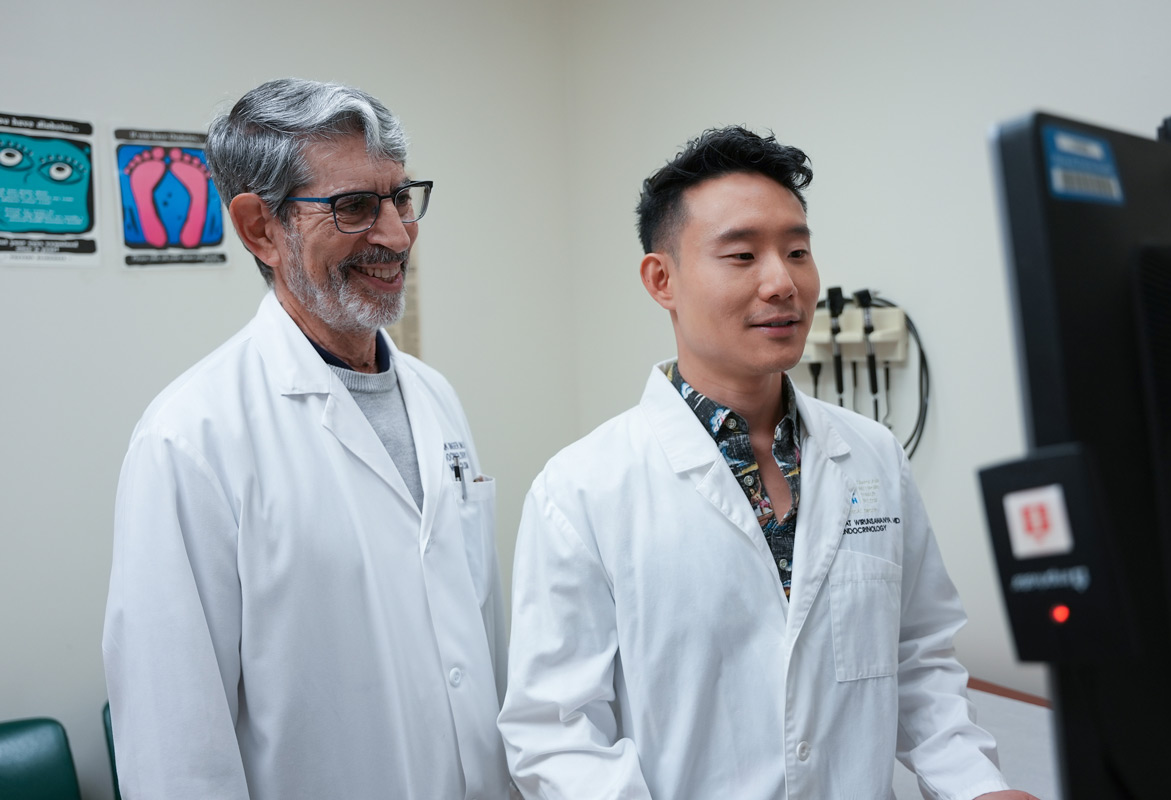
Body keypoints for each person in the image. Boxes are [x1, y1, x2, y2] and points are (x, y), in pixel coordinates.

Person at [498, 127, 1039, 800]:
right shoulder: (581, 489)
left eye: (798, 251)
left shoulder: (871, 454)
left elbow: (918, 660)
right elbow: (557, 730)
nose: (782, 282)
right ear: (661, 279)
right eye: (743, 255)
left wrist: (975, 786)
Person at [102, 78, 510, 800]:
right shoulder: (191, 439)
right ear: (261, 227)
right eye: (355, 207)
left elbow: (479, 640)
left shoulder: (435, 396)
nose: (395, 235)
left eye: (401, 198)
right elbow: (175, 749)